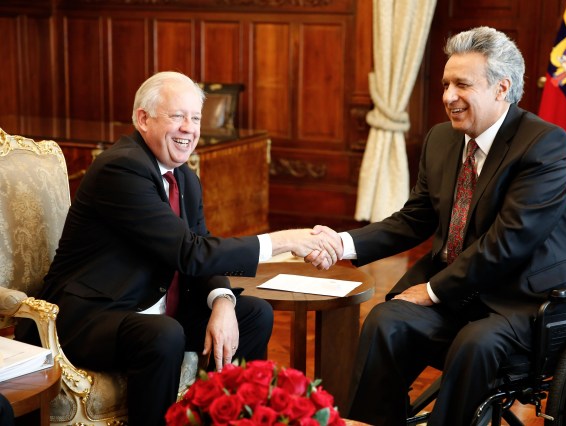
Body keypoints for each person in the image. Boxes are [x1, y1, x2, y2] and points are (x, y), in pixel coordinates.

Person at [16, 71, 341, 426]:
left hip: (148, 308)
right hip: (91, 316)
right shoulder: (121, 168)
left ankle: (229, 417)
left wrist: (222, 300)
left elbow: (200, 243)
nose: (189, 128)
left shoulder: (183, 175)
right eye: (177, 116)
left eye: (196, 118)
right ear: (143, 119)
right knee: (163, 334)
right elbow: (191, 251)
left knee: (254, 314)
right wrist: (283, 241)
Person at [308, 26, 566, 425]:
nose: (448, 96)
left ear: (501, 89)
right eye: (446, 84)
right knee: (386, 322)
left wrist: (434, 291)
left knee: (475, 343)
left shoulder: (544, 144)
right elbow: (414, 218)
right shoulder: (441, 139)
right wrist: (342, 244)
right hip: (459, 293)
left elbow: (509, 243)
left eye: (462, 84)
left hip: (522, 298)